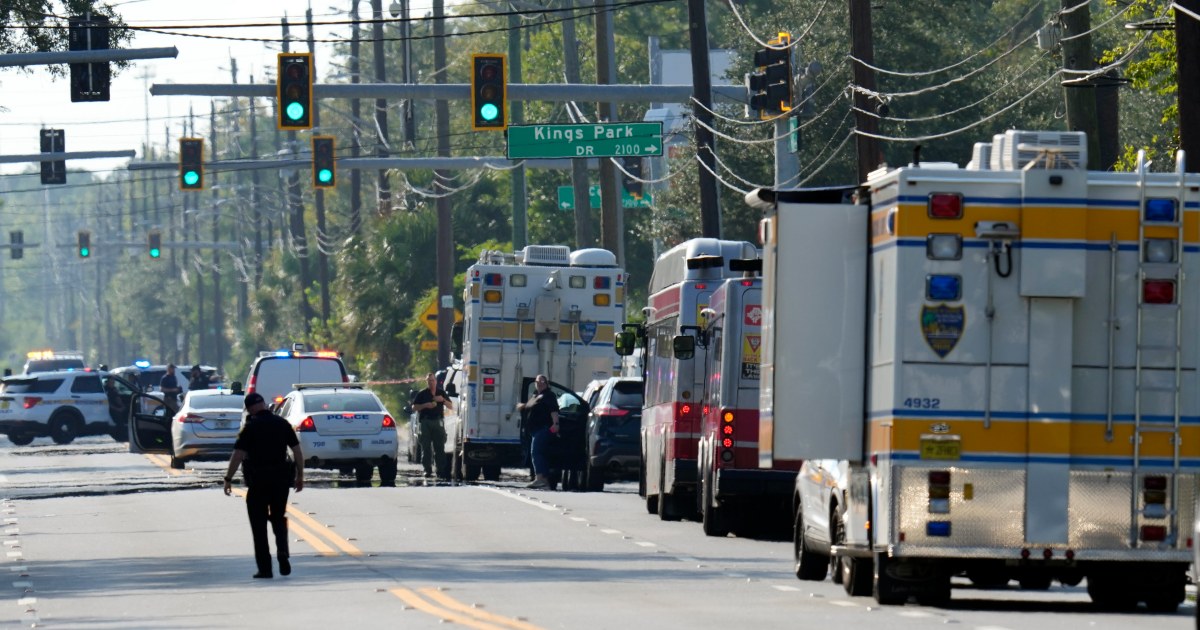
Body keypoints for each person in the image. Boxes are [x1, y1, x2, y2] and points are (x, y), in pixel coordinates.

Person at [223, 392, 304, 579]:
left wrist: (228, 478)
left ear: (250, 409)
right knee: (278, 517)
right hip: (281, 480)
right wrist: (300, 475)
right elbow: (297, 451)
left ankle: (265, 569)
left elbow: (238, 455)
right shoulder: (282, 424)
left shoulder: (250, 428)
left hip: (258, 481)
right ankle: (282, 551)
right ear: (265, 405)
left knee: (258, 525)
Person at [516, 374, 559, 489]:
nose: (539, 384)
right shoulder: (535, 395)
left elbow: (554, 410)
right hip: (534, 430)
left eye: (542, 382)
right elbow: (530, 406)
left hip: (543, 429)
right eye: (537, 382)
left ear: (546, 384)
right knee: (541, 454)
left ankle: (540, 478)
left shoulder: (549, 395)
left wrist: (556, 424)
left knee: (536, 452)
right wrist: (523, 406)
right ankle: (545, 482)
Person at [412, 372, 453, 479]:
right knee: (426, 448)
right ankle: (427, 470)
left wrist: (443, 400)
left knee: (439, 447)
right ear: (427, 382)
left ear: (436, 381)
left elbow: (451, 406)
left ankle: (440, 470)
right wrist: (425, 405)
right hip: (425, 422)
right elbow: (414, 407)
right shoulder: (422, 394)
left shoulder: (441, 393)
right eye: (429, 380)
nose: (431, 382)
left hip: (438, 422)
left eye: (433, 380)